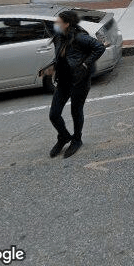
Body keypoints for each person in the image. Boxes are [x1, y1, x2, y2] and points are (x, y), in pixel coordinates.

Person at [43, 10, 105, 158]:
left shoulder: (79, 37)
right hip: (63, 81)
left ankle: (77, 140)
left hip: (79, 81)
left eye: (58, 22)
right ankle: (64, 136)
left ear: (66, 24)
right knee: (54, 114)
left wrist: (85, 65)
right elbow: (61, 57)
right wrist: (51, 66)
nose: (56, 24)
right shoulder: (59, 37)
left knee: (76, 112)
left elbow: (99, 47)